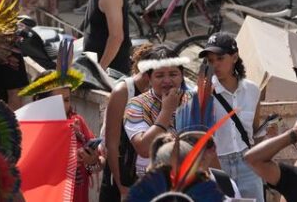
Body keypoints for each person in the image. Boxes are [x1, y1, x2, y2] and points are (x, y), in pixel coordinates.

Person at [18, 37, 103, 202]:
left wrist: (91, 160)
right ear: (40, 100)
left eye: (67, 99)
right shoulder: (27, 129)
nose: (64, 105)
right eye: (57, 100)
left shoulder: (77, 123)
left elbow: (98, 164)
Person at [198, 32, 263, 201]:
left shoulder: (252, 90)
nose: (215, 65)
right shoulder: (203, 94)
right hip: (216, 163)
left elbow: (255, 131)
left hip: (248, 162)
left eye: (220, 58)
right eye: (211, 61)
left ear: (234, 57)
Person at [123, 45, 190, 178]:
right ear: (149, 78)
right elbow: (144, 149)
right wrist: (167, 111)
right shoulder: (137, 105)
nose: (167, 81)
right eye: (159, 75)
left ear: (182, 76)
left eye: (173, 74)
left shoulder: (193, 101)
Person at [101, 43, 152, 202]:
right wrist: (122, 186)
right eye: (160, 74)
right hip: (120, 175)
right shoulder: (124, 91)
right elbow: (112, 144)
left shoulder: (166, 93)